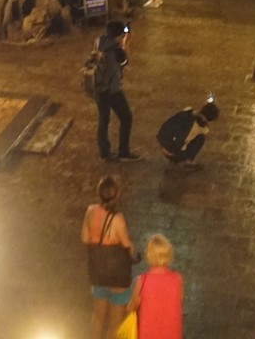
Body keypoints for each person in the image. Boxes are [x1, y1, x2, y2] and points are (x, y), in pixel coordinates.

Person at [82, 174, 136, 339]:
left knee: (98, 318)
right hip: (117, 279)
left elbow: (85, 238)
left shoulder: (91, 211)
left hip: (98, 273)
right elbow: (128, 246)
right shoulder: (118, 219)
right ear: (117, 194)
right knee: (114, 323)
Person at [94, 20, 140, 161]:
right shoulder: (116, 50)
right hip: (112, 90)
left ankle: (104, 152)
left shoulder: (99, 41)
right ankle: (124, 152)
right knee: (126, 117)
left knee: (103, 119)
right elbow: (125, 61)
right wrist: (125, 42)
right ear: (119, 34)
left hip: (98, 87)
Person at [128, 234, 183, 339]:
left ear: (149, 255)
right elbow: (179, 301)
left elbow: (131, 307)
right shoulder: (177, 279)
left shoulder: (142, 281)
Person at [156, 98, 219, 168]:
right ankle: (189, 161)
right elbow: (206, 130)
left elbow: (192, 113)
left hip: (163, 141)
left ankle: (169, 151)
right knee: (201, 138)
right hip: (173, 152)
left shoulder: (188, 111)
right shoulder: (201, 128)